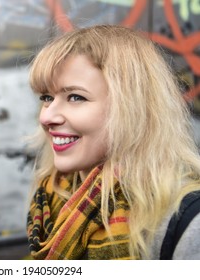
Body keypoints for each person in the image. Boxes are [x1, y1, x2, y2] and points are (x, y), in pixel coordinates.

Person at [26, 24, 200, 260]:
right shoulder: (50, 199)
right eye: (47, 97)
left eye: (75, 97)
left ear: (132, 108)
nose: (46, 117)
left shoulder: (187, 221)